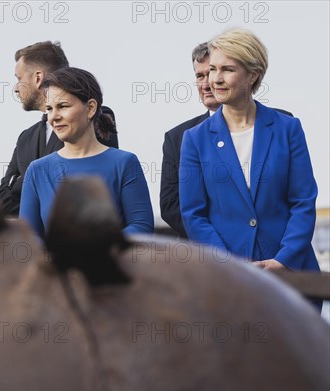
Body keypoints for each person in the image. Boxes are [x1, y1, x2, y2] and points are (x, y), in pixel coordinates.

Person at [180, 29, 319, 275]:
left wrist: (283, 260)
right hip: (230, 280)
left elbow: (303, 202)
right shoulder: (194, 139)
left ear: (253, 75)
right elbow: (194, 215)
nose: (215, 79)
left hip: (291, 274)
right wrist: (228, 264)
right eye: (212, 69)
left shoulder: (288, 128)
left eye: (228, 69)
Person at [20, 67, 154, 238]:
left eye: (62, 106)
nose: (53, 117)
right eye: (49, 109)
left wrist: (95, 251)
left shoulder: (125, 162)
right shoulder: (37, 170)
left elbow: (141, 225)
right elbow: (29, 238)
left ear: (90, 108)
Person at [0, 41, 118, 217]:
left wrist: (23, 183)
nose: (15, 88)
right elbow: (1, 201)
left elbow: (91, 189)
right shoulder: (25, 138)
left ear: (37, 78)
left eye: (19, 78)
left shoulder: (93, 117)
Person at [160, 42, 219, 238]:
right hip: (211, 259)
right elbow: (170, 206)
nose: (205, 84)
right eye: (199, 76)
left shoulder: (281, 123)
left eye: (210, 73)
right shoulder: (178, 138)